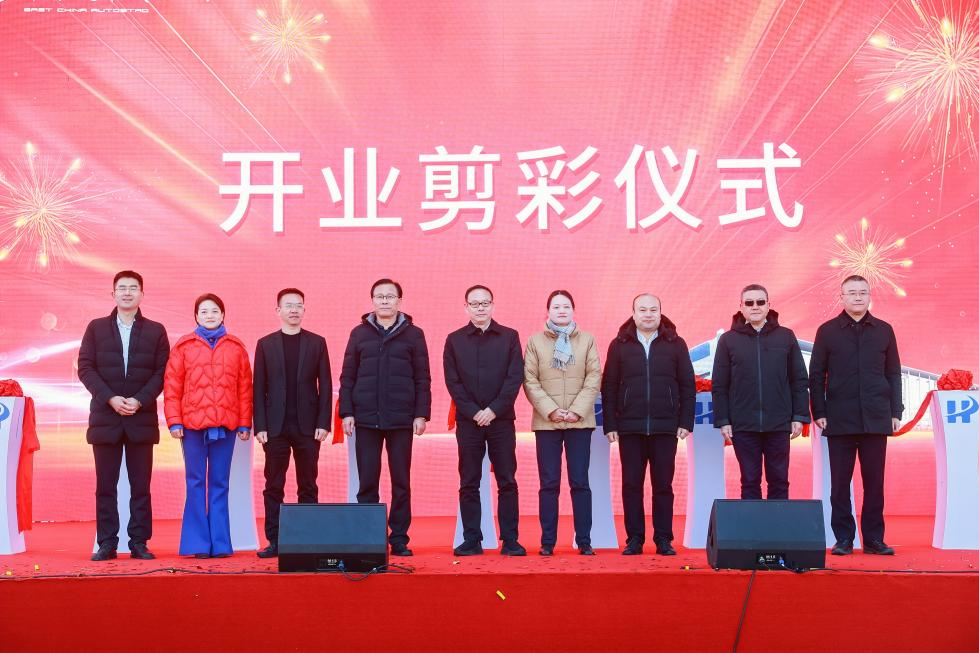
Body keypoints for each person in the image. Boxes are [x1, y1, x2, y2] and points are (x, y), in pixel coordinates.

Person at [78, 270, 170, 561]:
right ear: (113, 293)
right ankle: (107, 543)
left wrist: (140, 400)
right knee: (105, 486)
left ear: (142, 293)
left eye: (133, 288)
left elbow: (162, 372)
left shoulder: (156, 330)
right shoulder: (96, 328)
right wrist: (111, 398)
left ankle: (139, 542)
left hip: (141, 419)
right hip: (106, 418)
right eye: (122, 288)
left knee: (141, 487)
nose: (127, 293)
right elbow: (85, 368)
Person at [810, 275, 902, 556]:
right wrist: (819, 410)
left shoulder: (884, 330)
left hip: (876, 417)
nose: (858, 297)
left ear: (870, 295)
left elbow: (893, 373)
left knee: (874, 483)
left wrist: (895, 411)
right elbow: (816, 375)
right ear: (842, 297)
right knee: (840, 484)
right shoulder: (827, 331)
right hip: (839, 418)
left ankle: (874, 540)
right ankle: (843, 539)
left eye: (863, 292)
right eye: (852, 292)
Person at [340, 279, 431, 557]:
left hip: (401, 419)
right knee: (367, 480)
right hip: (366, 418)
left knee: (401, 481)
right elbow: (348, 376)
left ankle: (399, 538)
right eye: (379, 296)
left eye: (390, 296)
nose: (384, 301)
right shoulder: (359, 334)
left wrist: (421, 414)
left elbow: (422, 377)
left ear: (399, 301)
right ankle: (370, 537)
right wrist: (347, 412)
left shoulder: (414, 334)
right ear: (372, 301)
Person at [601, 294, 695, 556]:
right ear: (633, 314)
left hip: (666, 427)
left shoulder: (676, 343)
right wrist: (611, 424)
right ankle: (634, 539)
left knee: (663, 486)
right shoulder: (619, 345)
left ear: (660, 313)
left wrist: (685, 421)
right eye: (642, 310)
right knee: (631, 485)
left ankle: (664, 539)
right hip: (629, 427)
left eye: (653, 310)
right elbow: (609, 386)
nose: (648, 314)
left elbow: (687, 385)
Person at [164, 293, 252, 558]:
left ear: (223, 315)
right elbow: (172, 387)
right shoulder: (183, 346)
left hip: (226, 426)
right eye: (204, 311)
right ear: (196, 316)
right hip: (191, 426)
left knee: (220, 483)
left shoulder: (236, 347)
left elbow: (244, 388)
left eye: (214, 311)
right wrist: (174, 421)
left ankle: (221, 543)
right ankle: (198, 544)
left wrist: (245, 423)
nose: (209, 315)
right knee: (195, 482)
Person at [443, 285, 526, 556]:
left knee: (507, 480)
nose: (480, 307)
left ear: (493, 305)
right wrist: (473, 412)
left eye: (485, 303)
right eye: (474, 303)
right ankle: (472, 540)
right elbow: (453, 381)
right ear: (466, 307)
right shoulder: (454, 340)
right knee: (469, 481)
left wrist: (493, 410)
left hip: (501, 420)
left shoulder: (510, 337)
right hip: (469, 422)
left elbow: (514, 377)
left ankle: (510, 540)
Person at [253, 288, 332, 559]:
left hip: (308, 427)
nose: (294, 310)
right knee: (274, 485)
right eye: (288, 305)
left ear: (304, 310)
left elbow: (325, 385)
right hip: (274, 428)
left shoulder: (317, 343)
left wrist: (324, 422)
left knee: (308, 485)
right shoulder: (265, 344)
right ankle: (275, 541)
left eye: (298, 305)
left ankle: (307, 541)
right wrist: (260, 425)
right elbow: (258, 387)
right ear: (278, 311)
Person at [711, 284, 809, 501]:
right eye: (749, 303)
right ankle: (752, 525)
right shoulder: (728, 340)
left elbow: (799, 379)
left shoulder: (786, 336)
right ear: (741, 307)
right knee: (749, 481)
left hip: (779, 423)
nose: (755, 306)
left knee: (779, 481)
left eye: (760, 302)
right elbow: (719, 384)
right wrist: (724, 420)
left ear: (768, 305)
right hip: (743, 425)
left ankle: (778, 524)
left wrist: (799, 416)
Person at [524, 290, 601, 556]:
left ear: (573, 310)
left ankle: (584, 541)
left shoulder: (587, 340)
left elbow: (594, 377)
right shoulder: (535, 342)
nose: (561, 311)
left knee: (580, 482)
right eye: (556, 307)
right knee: (549, 484)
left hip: (580, 422)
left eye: (566, 306)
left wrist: (577, 411)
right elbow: (530, 380)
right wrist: (552, 410)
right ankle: (547, 542)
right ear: (548, 311)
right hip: (547, 423)